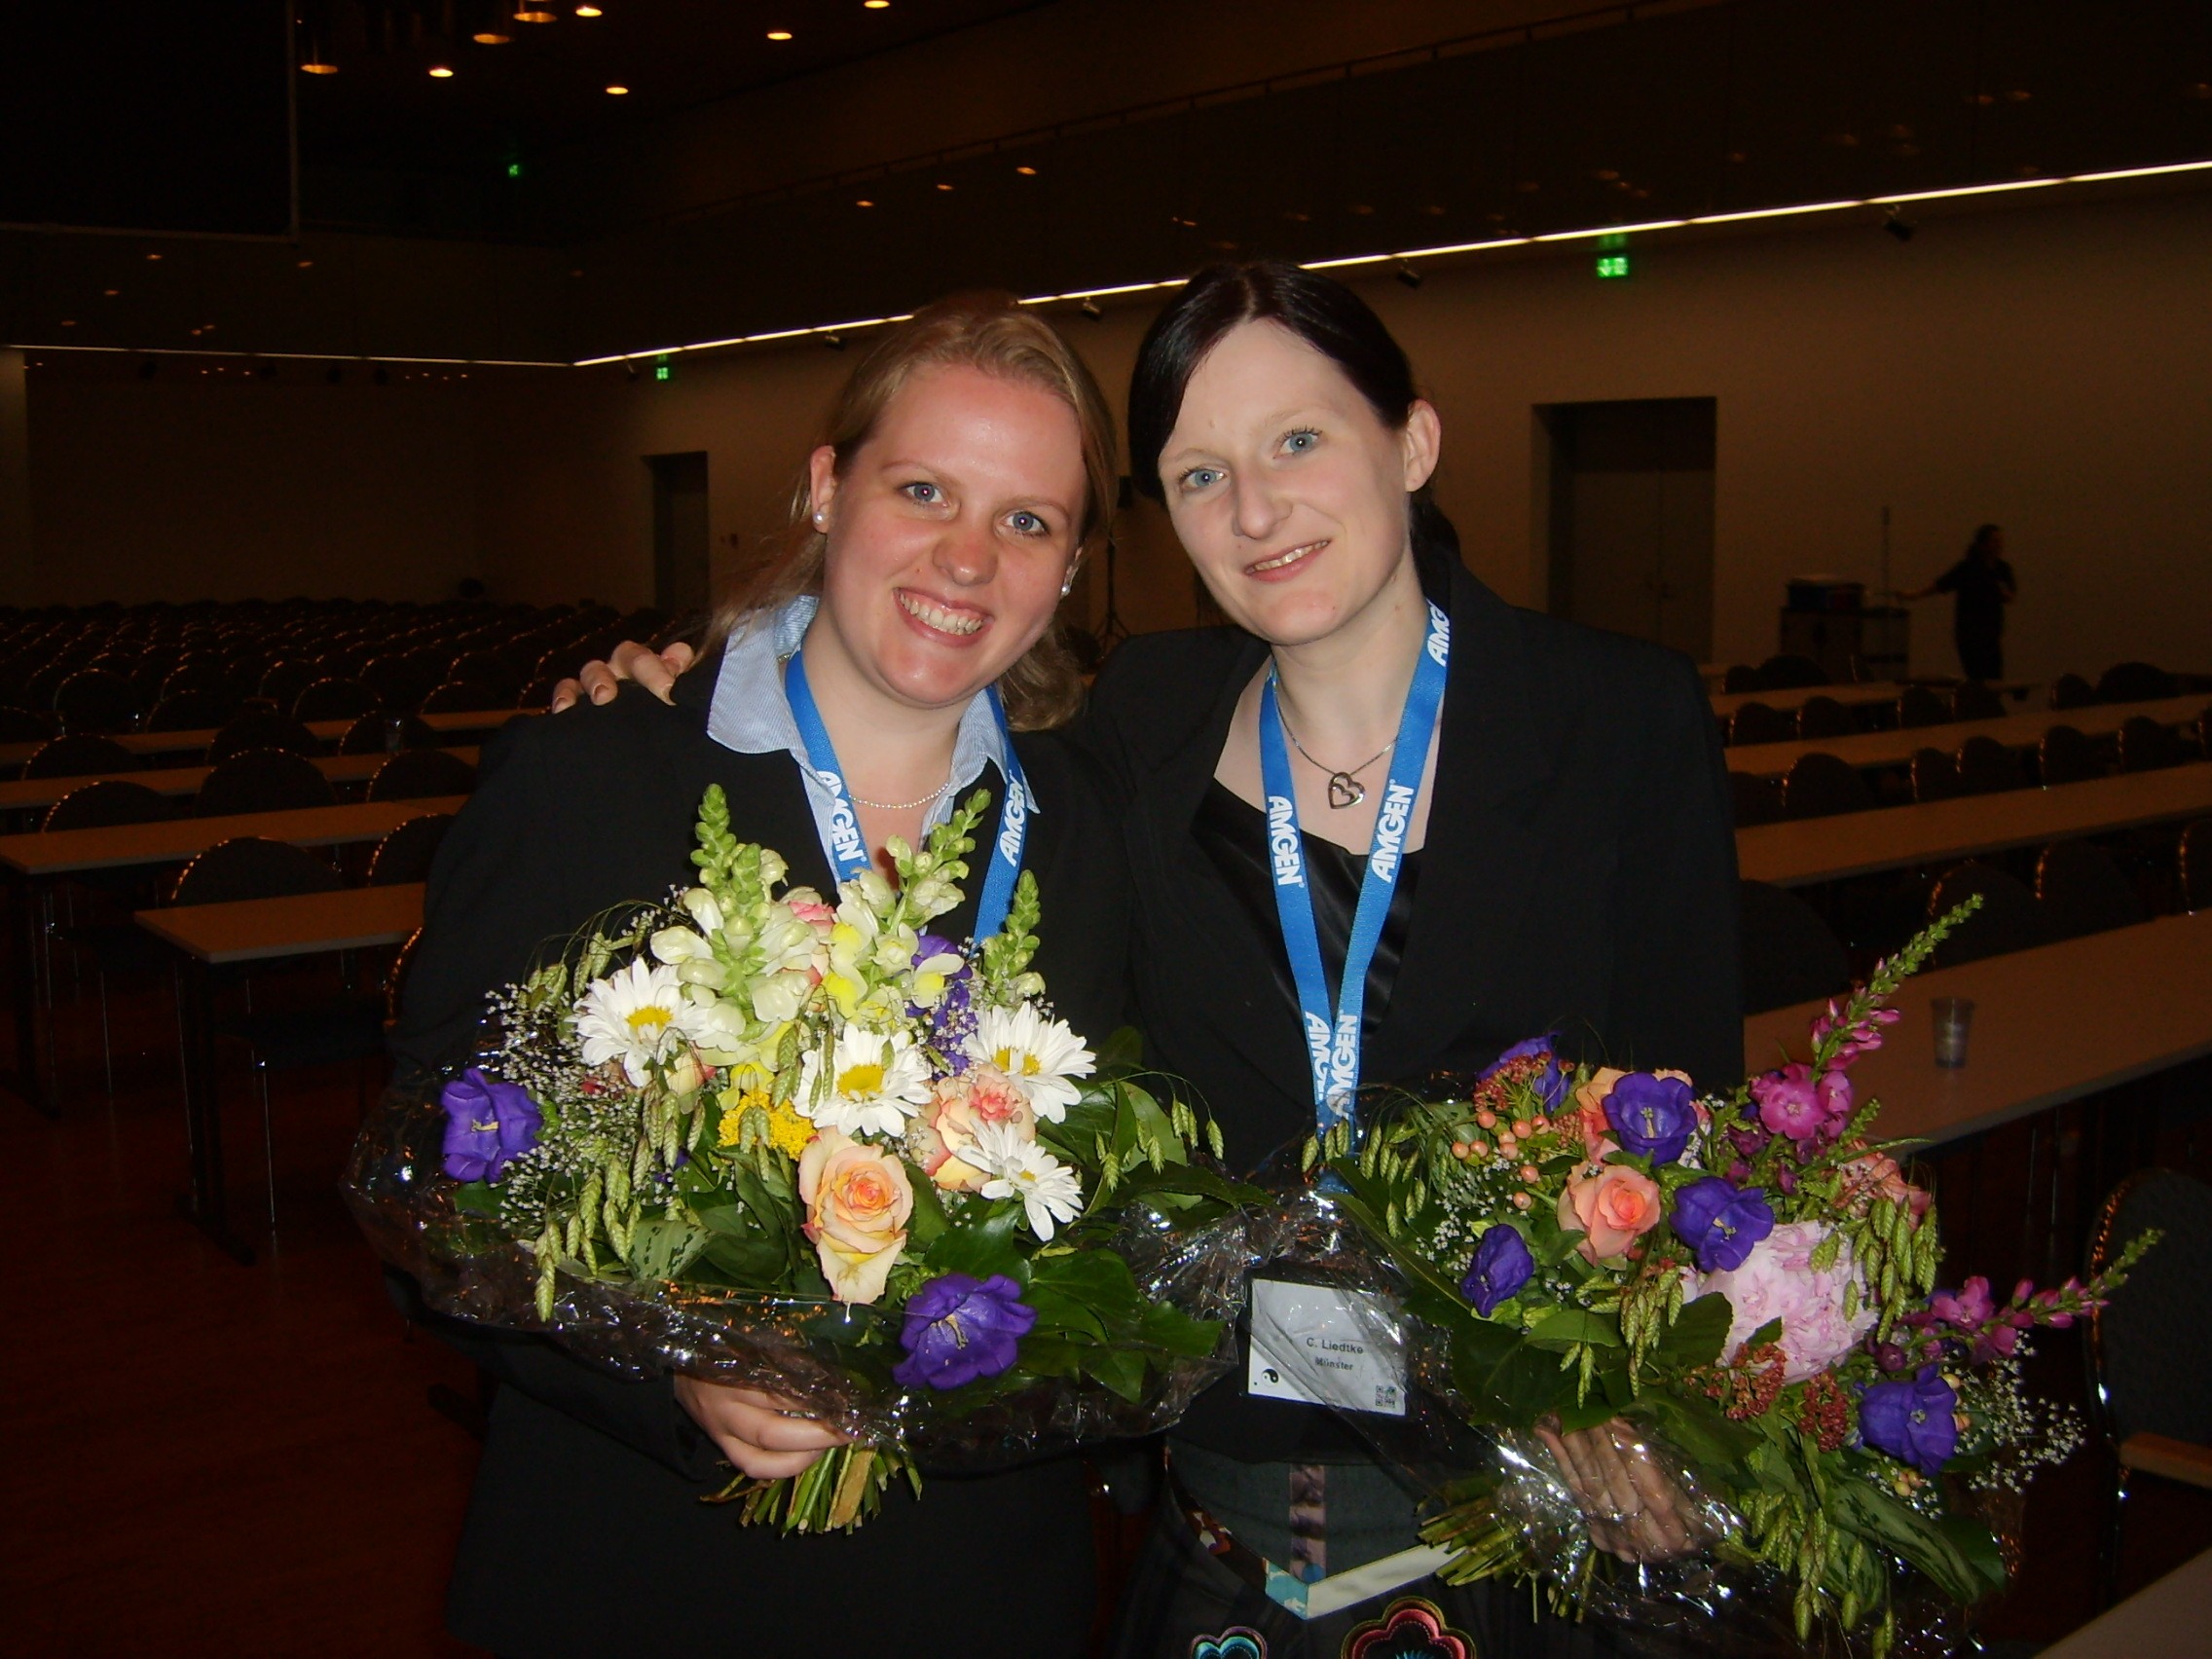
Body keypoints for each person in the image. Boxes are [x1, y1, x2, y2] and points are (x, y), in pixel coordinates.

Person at [570, 264, 1741, 1658]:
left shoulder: (1618, 718)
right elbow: (883, 693)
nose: (1255, 511)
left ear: (1412, 442)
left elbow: (1695, 1118)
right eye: (1199, 474)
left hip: (1520, 1506)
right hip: (1230, 1501)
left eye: (1298, 441)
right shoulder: (1141, 725)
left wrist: (1654, 1395)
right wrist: (674, 692)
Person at [387, 294, 1130, 1659]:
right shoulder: (595, 775)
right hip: (644, 1572)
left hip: (974, 1587)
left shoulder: (1096, 830)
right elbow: (432, 1193)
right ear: (828, 487)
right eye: (923, 491)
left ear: (1073, 565)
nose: (967, 561)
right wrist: (666, 1376)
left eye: (1027, 521)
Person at [1901, 523, 2015, 682]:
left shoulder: (2002, 569)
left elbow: (2010, 596)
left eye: (2000, 541)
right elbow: (1941, 584)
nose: (2000, 545)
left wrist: (2003, 593)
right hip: (1969, 634)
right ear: (1983, 544)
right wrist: (1915, 594)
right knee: (1978, 678)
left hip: (1991, 634)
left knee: (1995, 678)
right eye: (1995, 541)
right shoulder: (1968, 568)